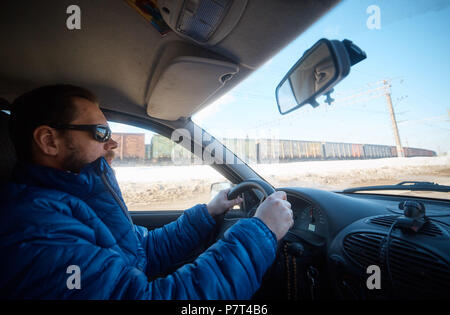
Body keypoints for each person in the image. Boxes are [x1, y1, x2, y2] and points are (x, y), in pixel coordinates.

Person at [0, 84, 294, 299]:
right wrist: (261, 232)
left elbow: (143, 251)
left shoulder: (74, 202)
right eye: (101, 134)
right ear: (50, 141)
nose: (112, 144)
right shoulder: (35, 231)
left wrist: (208, 212)